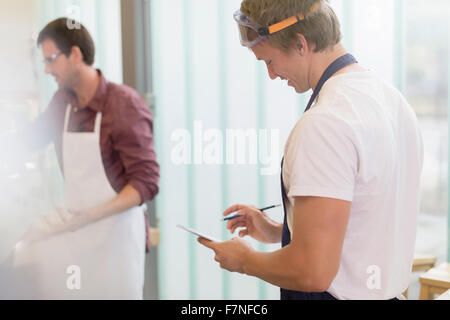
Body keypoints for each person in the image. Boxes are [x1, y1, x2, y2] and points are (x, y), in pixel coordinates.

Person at [199, 0, 423, 300]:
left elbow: (312, 271)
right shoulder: (394, 103)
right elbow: (363, 223)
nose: (272, 75)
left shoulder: (325, 123)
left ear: (301, 44)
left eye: (268, 61)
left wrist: (244, 260)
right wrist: (277, 230)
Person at [4, 17, 159, 299]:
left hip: (117, 240)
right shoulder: (62, 102)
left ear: (75, 55)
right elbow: (31, 139)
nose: (48, 69)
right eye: (45, 62)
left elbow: (145, 184)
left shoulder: (124, 104)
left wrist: (91, 215)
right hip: (78, 235)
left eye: (52, 59)